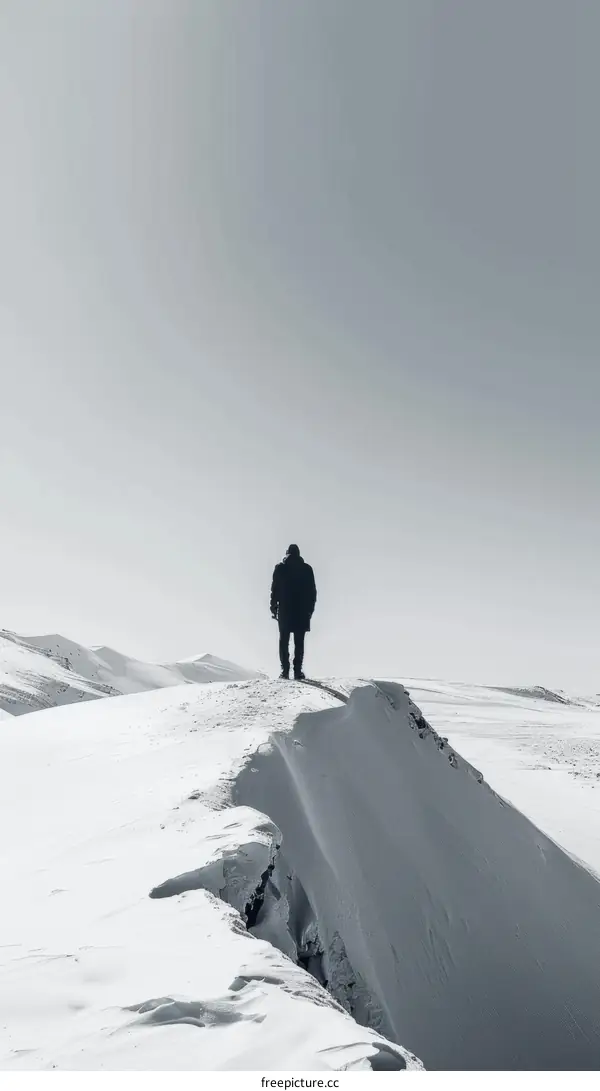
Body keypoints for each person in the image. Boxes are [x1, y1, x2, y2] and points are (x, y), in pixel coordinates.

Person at [270, 544, 317, 680]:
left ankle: (284, 671)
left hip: (285, 609)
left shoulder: (280, 568)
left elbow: (275, 590)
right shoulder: (307, 569)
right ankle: (297, 671)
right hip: (301, 610)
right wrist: (310, 610)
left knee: (284, 640)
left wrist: (273, 606)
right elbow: (312, 592)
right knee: (299, 641)